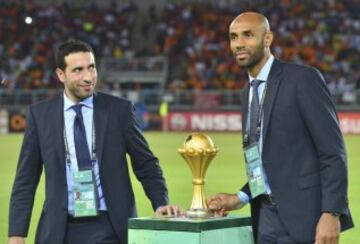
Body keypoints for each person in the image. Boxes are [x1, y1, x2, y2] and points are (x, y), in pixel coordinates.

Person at [8, 39, 181, 244]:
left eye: (91, 68)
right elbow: (26, 179)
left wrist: (160, 203)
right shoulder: (40, 115)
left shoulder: (119, 111)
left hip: (109, 227)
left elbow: (146, 164)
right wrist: (16, 233)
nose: (88, 77)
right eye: (78, 70)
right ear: (60, 75)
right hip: (58, 230)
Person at [208, 12, 354, 243]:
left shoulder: (302, 79)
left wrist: (332, 213)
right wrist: (240, 197)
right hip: (264, 219)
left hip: (305, 219)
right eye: (233, 37)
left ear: (267, 39)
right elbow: (263, 161)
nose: (239, 44)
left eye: (248, 35)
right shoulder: (247, 93)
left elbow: (332, 152)